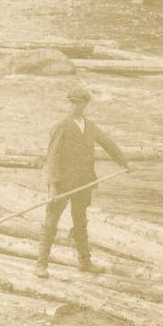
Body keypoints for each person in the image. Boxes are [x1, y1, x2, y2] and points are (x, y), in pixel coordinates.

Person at [37, 86, 130, 277]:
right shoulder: (61, 125)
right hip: (61, 183)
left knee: (80, 222)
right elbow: (52, 156)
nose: (74, 106)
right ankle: (41, 265)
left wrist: (124, 162)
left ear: (85, 105)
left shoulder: (90, 126)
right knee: (51, 223)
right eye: (71, 102)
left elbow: (107, 143)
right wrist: (53, 186)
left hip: (83, 183)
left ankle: (85, 262)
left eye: (78, 103)